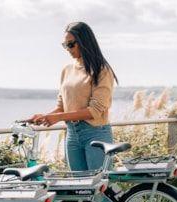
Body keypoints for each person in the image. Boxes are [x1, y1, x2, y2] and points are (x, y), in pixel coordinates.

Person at [29, 21, 118, 172]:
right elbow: (61, 107)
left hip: (95, 133)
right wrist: (45, 116)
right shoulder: (67, 70)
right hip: (72, 134)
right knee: (79, 187)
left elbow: (95, 111)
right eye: (65, 45)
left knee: (97, 189)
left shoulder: (101, 70)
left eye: (71, 44)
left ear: (84, 42)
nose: (68, 49)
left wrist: (59, 117)